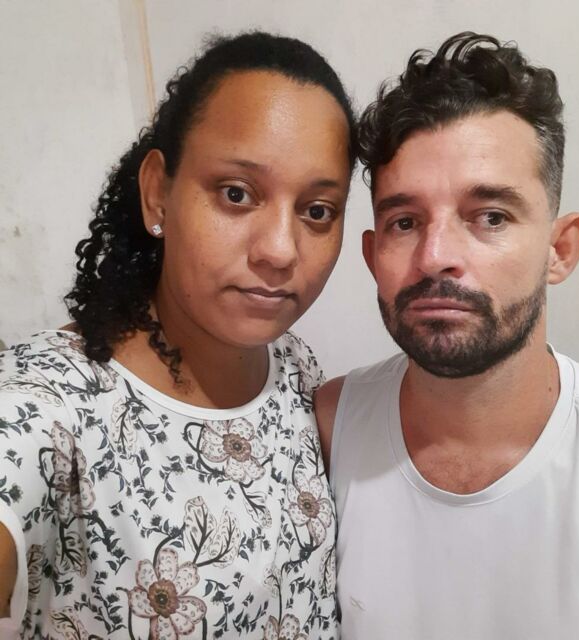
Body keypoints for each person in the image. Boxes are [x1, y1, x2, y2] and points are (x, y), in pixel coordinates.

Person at [0, 31, 355, 639]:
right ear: (157, 193)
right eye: (237, 194)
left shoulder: (295, 368)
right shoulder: (49, 406)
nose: (280, 250)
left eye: (317, 210)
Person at [315, 31, 579, 639]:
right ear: (372, 256)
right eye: (404, 222)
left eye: (490, 216)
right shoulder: (327, 431)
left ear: (560, 249)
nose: (435, 255)